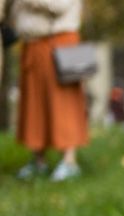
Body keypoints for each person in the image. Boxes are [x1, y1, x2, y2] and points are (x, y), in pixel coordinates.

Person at [1, 0, 88, 181]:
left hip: (59, 41)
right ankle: (38, 160)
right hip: (32, 43)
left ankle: (69, 161)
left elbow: (60, 5)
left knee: (64, 103)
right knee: (34, 106)